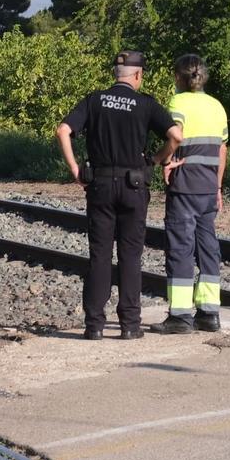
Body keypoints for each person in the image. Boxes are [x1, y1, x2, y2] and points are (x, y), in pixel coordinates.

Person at [56, 50, 182, 340]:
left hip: (99, 186)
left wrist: (75, 169)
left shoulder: (94, 100)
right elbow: (176, 136)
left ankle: (94, 326)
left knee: (99, 256)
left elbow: (63, 130)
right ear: (137, 75)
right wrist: (157, 159)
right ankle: (129, 325)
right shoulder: (145, 104)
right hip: (133, 187)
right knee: (130, 256)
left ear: (116, 74)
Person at [151, 54, 228, 334]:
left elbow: (177, 136)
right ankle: (209, 313)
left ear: (177, 77)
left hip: (184, 185)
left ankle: (180, 316)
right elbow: (222, 149)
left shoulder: (178, 102)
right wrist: (218, 187)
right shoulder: (217, 106)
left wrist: (164, 161)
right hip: (208, 187)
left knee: (180, 248)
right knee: (208, 248)